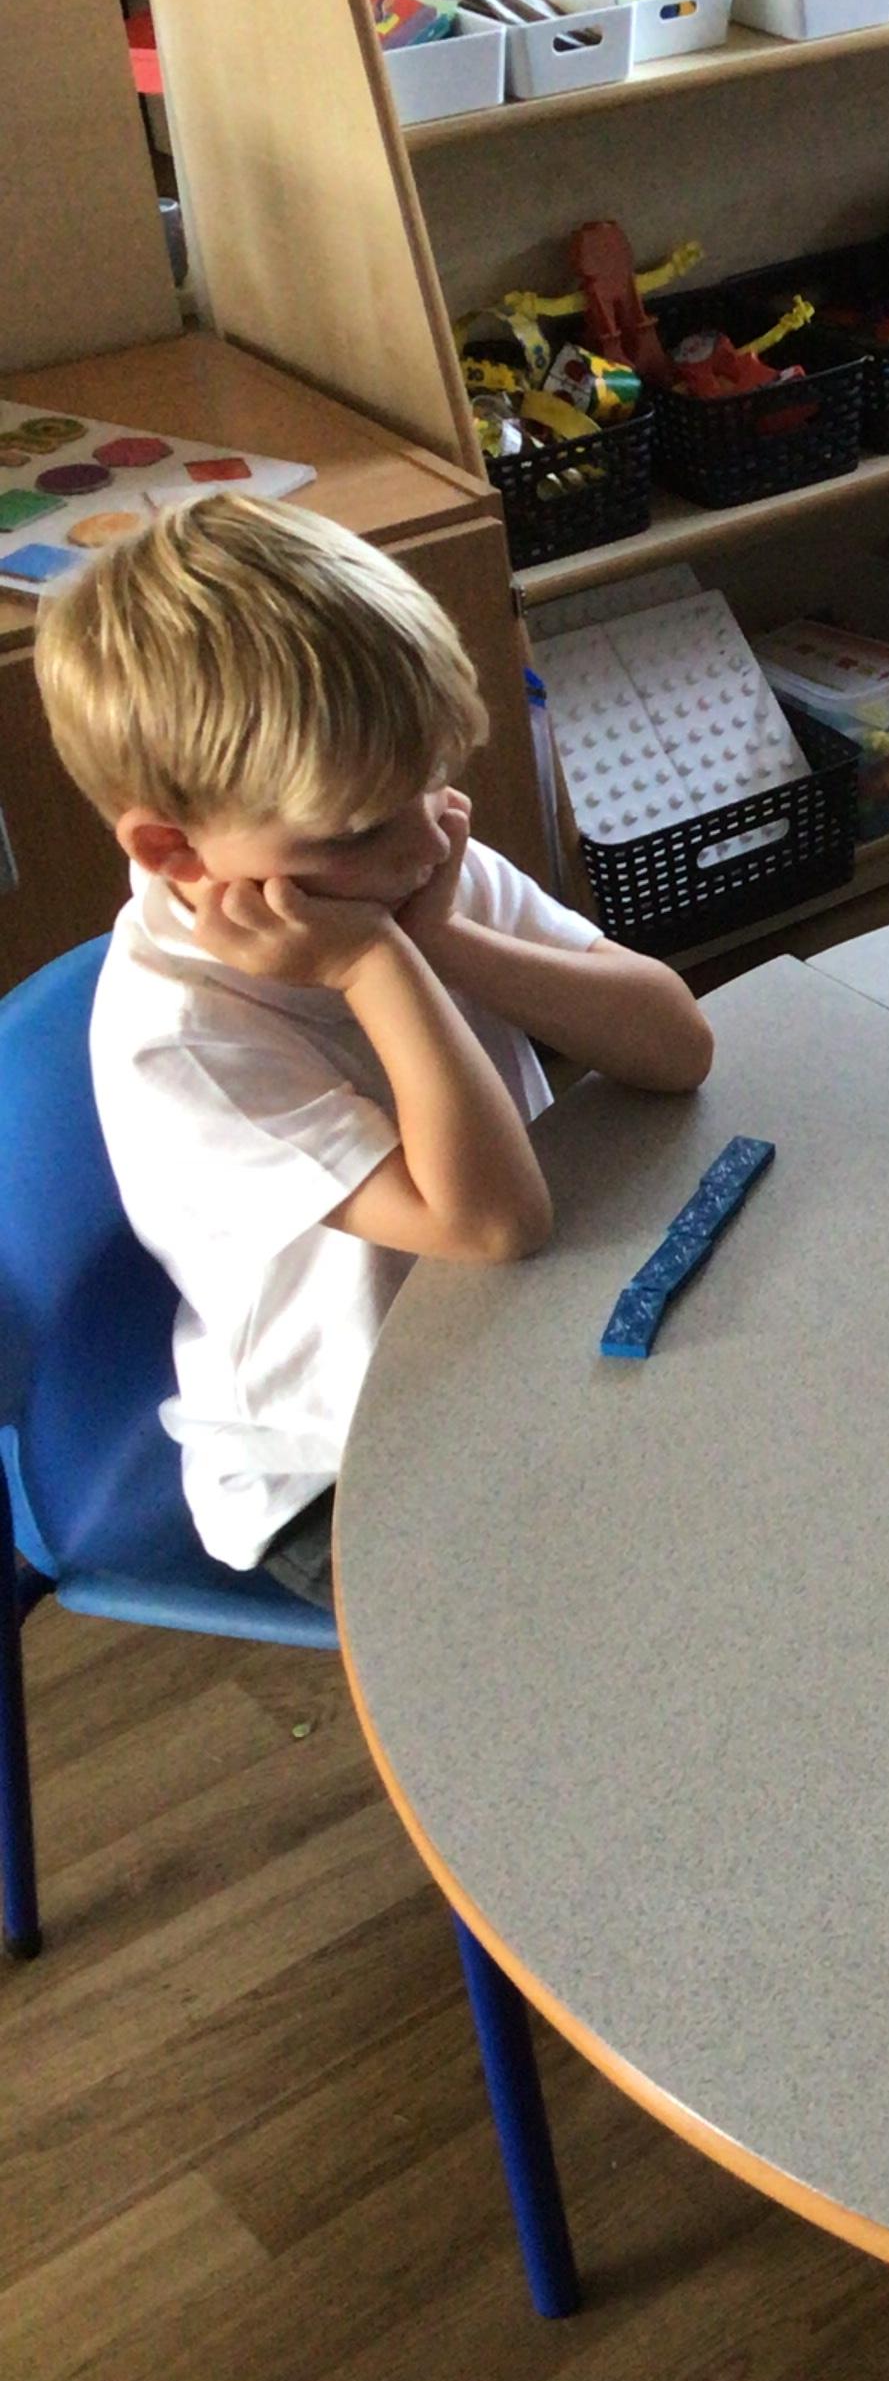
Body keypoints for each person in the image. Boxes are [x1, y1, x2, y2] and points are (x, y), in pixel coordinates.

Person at [35, 495, 712, 1604]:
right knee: (611, 1608)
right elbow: (489, 1223)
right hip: (338, 1460)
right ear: (174, 850)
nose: (426, 842)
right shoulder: (183, 1037)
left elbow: (675, 1045)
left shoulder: (404, 859)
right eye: (357, 830)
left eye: (429, 781)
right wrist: (377, 966)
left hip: (522, 1333)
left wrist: (447, 940)